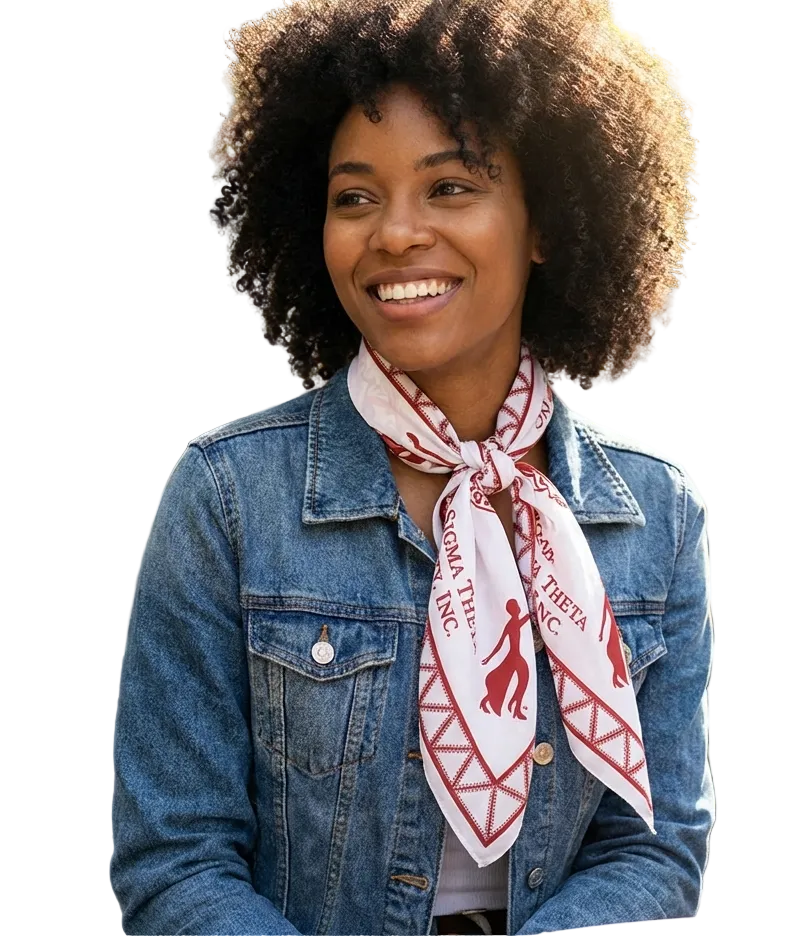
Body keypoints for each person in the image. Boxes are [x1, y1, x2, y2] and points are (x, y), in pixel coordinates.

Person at [109, 1, 714, 934]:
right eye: (355, 196)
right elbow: (176, 860)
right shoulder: (229, 497)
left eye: (450, 188)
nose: (393, 233)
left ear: (545, 218)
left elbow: (652, 847)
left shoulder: (655, 516)